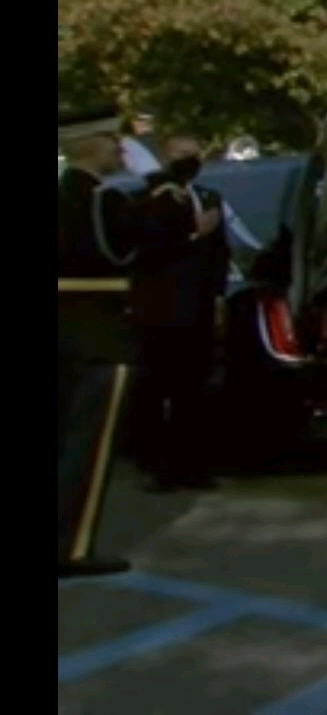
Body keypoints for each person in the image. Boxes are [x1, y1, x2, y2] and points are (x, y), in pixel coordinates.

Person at [59, 104, 145, 578]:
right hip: (100, 332)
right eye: (113, 139)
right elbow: (134, 246)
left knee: (62, 441)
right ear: (94, 143)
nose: (119, 147)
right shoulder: (103, 201)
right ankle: (71, 547)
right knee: (88, 449)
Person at [130, 133, 228, 492]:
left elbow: (220, 254)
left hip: (197, 309)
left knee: (195, 391)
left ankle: (194, 466)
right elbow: (148, 250)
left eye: (193, 153)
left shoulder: (209, 198)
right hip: (161, 311)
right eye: (180, 154)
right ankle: (159, 468)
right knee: (158, 390)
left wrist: (217, 298)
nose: (188, 159)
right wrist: (192, 234)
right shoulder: (145, 200)